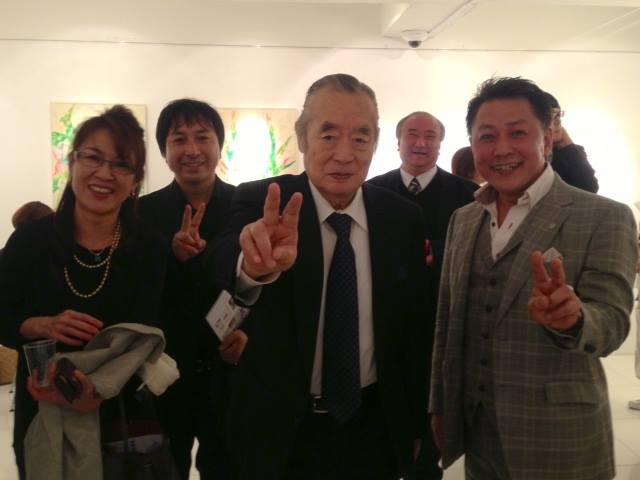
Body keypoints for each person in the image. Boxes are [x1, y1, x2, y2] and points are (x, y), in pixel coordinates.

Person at [213, 73, 433, 479]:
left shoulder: (401, 218)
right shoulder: (264, 201)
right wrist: (253, 269)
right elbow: (222, 267)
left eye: (360, 139)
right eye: (328, 136)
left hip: (374, 430)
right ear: (302, 138)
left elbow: (413, 332)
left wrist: (417, 425)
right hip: (281, 434)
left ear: (375, 143)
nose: (344, 155)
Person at [430, 77, 637, 480]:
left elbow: (613, 322)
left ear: (547, 138)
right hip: (479, 434)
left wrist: (575, 318)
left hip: (558, 437)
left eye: (518, 133)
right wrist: (440, 405)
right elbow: (446, 318)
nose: (501, 149)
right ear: (472, 144)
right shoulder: (464, 219)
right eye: (487, 136)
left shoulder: (604, 216)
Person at [0, 105, 167, 479]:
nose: (104, 173)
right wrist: (41, 325)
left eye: (121, 164)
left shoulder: (148, 247)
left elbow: (151, 333)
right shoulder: (30, 242)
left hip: (123, 414)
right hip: (42, 407)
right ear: (72, 163)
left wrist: (98, 389)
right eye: (93, 157)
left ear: (135, 181)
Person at [139, 98, 244, 480]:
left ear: (219, 144)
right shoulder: (142, 214)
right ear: (164, 151)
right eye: (179, 139)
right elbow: (135, 291)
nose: (192, 149)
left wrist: (250, 333)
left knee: (230, 469)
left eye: (203, 137)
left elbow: (266, 285)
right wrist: (170, 256)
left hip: (231, 373)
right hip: (165, 374)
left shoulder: (244, 206)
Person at [368, 111, 476, 479]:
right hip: (382, 324)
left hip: (439, 324)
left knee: (429, 422)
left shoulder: (467, 195)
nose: (420, 143)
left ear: (440, 144)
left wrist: (437, 255)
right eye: (412, 135)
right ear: (397, 142)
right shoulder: (372, 191)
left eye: (430, 136)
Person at [543, 91, 599, 193]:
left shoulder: (572, 152)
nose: (558, 121)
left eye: (559, 115)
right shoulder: (534, 155)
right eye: (552, 116)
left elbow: (589, 187)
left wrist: (567, 143)